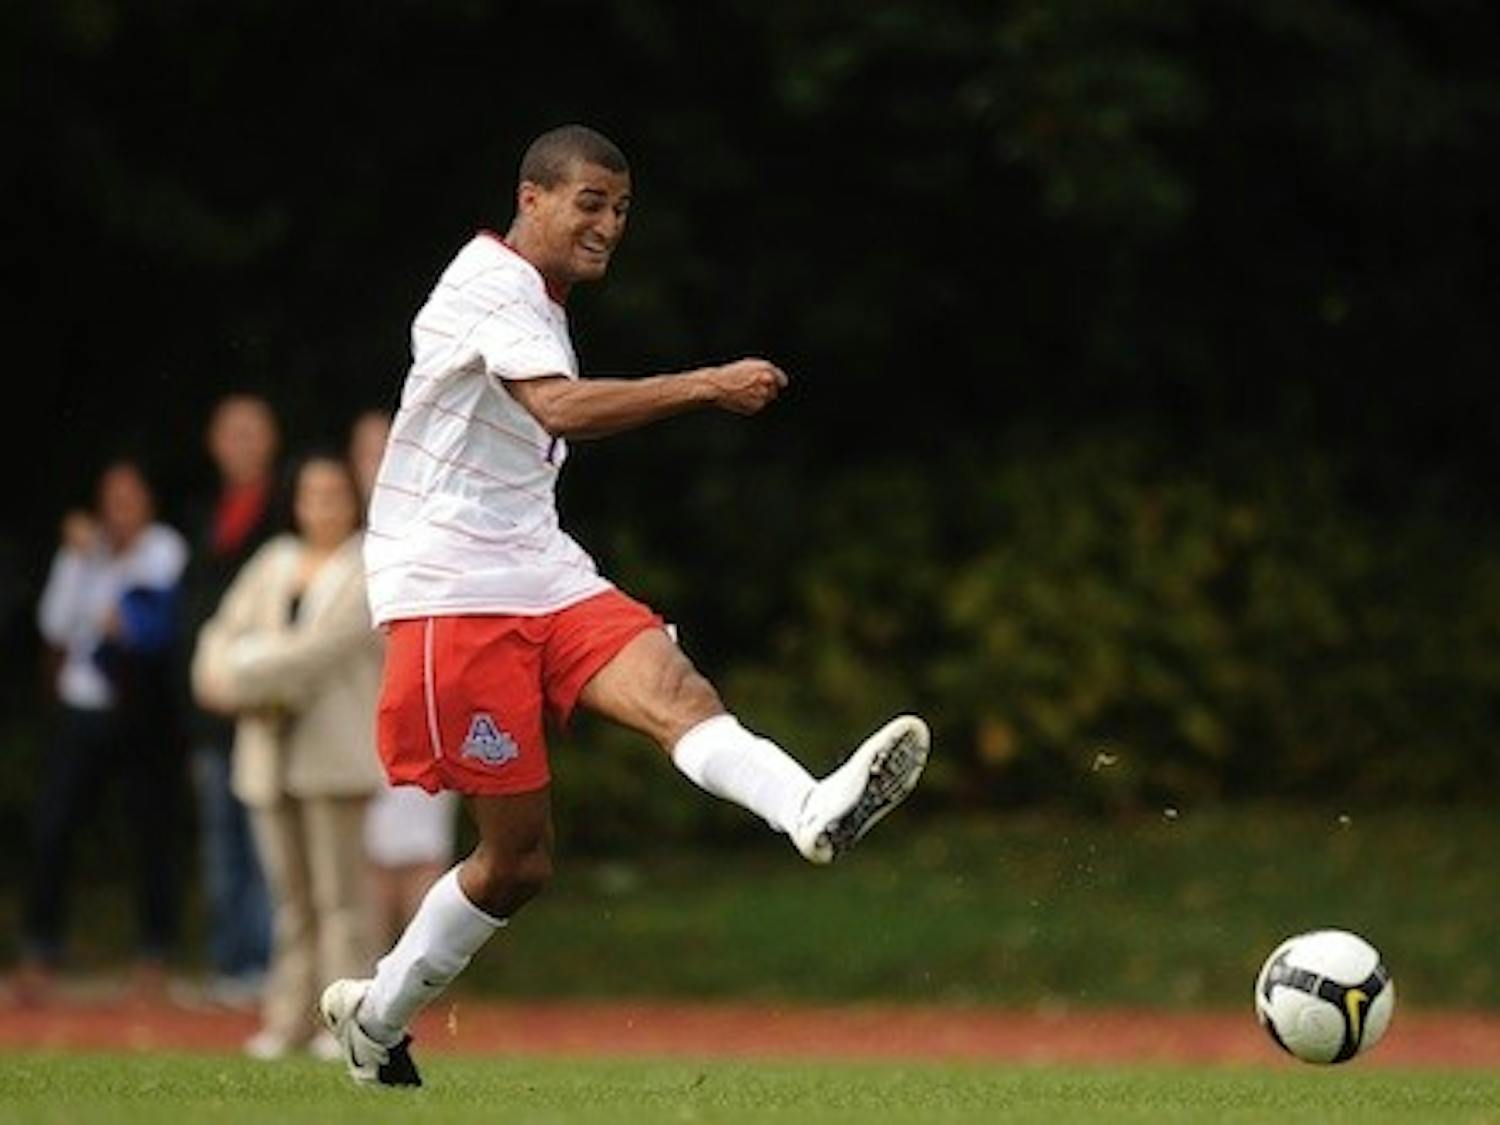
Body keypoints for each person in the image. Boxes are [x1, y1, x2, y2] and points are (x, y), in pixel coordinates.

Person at [319, 124, 930, 1088]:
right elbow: (560, 409)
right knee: (517, 863)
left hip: (542, 566)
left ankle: (807, 807)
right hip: (453, 589)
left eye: (621, 209)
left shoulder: (539, 298)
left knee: (679, 691)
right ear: (531, 200)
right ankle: (379, 1014)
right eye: (589, 203)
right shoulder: (492, 285)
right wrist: (707, 383)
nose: (608, 225)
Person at [192, 452, 386, 1059]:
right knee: (291, 902)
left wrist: (241, 672)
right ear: (297, 501)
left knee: (340, 901)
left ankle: (348, 1024)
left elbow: (321, 653)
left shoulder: (368, 567)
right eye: (311, 493)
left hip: (335, 756)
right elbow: (217, 632)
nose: (322, 505)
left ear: (351, 501)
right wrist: (216, 674)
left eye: (333, 493)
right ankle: (286, 1021)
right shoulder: (273, 561)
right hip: (268, 756)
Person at [18, 458, 188, 1001]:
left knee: (150, 831)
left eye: (129, 501)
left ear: (146, 506)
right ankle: (40, 949)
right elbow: (54, 625)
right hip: (81, 706)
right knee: (52, 827)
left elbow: (144, 622)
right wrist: (78, 557)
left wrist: (118, 595)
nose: (119, 513)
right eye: (111, 502)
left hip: (137, 713)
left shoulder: (163, 548)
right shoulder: (82, 554)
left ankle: (155, 953)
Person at [174, 393, 281, 1008]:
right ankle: (230, 966)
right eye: (230, 432)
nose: (241, 444)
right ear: (214, 443)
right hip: (209, 716)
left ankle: (270, 968)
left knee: (269, 849)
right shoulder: (201, 517)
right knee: (223, 847)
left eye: (252, 432)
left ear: (270, 441)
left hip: (265, 709)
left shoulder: (283, 517)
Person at [347, 408, 460, 949]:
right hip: (357, 720)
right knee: (367, 857)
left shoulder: (444, 537)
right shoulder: (346, 548)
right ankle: (370, 987)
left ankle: (420, 984)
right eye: (370, 452)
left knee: (421, 851)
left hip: (431, 708)